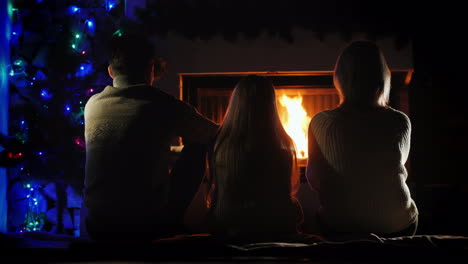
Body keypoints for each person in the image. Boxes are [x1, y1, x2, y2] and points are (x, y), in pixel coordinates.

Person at [82, 31, 218, 242]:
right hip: (146, 225)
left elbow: (129, 145)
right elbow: (214, 134)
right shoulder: (161, 104)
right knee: (198, 147)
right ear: (150, 68)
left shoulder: (92, 104)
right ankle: (176, 223)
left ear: (110, 71)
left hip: (97, 225)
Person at [306, 40, 418, 238]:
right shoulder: (401, 121)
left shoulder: (320, 122)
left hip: (339, 227)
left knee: (322, 218)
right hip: (398, 226)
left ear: (340, 78)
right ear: (383, 78)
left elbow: (314, 177)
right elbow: (398, 169)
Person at [205, 75, 304, 243]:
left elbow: (212, 193)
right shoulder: (284, 149)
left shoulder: (218, 146)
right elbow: (287, 199)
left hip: (227, 226)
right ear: (271, 106)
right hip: (272, 228)